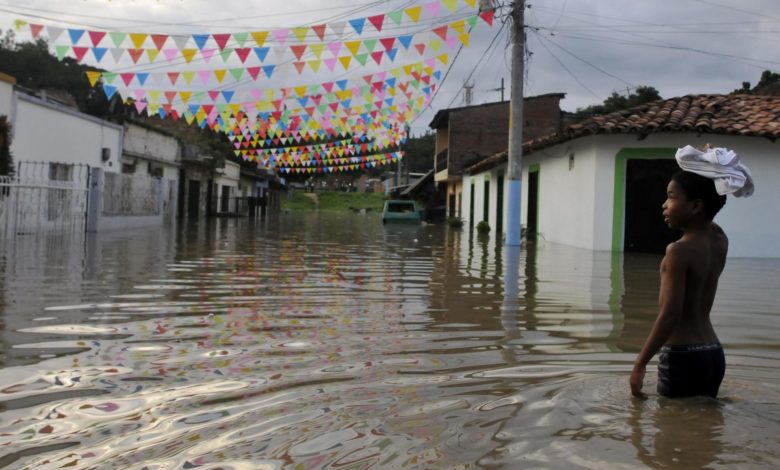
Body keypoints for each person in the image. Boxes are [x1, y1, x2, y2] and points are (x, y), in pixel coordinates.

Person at [630, 145, 754, 398]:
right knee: (704, 427)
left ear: (696, 205)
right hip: (713, 354)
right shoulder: (719, 239)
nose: (664, 205)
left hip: (681, 357)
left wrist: (640, 364)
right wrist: (708, 168)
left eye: (672, 196)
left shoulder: (678, 251)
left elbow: (669, 316)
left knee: (671, 432)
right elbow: (711, 209)